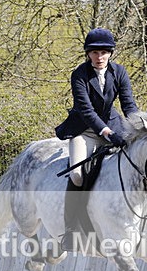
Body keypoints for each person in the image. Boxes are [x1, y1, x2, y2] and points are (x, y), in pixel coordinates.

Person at [55, 27, 139, 251]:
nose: (99, 57)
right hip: (85, 131)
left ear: (110, 53)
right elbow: (86, 110)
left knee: (139, 162)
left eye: (103, 52)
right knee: (77, 175)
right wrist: (106, 133)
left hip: (113, 127)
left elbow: (129, 105)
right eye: (94, 52)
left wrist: (139, 127)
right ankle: (70, 230)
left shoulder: (119, 72)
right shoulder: (79, 74)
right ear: (88, 54)